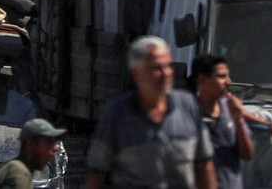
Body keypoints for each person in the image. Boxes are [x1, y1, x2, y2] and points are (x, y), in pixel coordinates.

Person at [85, 36, 214, 189]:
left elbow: (204, 165)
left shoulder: (188, 106)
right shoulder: (116, 114)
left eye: (168, 66)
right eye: (157, 68)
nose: (166, 74)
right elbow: (97, 174)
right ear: (136, 73)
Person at [192, 55, 253, 189]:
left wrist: (238, 120)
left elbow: (247, 154)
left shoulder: (230, 109)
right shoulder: (188, 114)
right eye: (221, 76)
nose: (228, 82)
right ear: (202, 79)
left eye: (228, 76)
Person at [0, 118, 67, 189]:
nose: (54, 149)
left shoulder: (14, 168)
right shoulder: (18, 174)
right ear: (31, 145)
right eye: (48, 143)